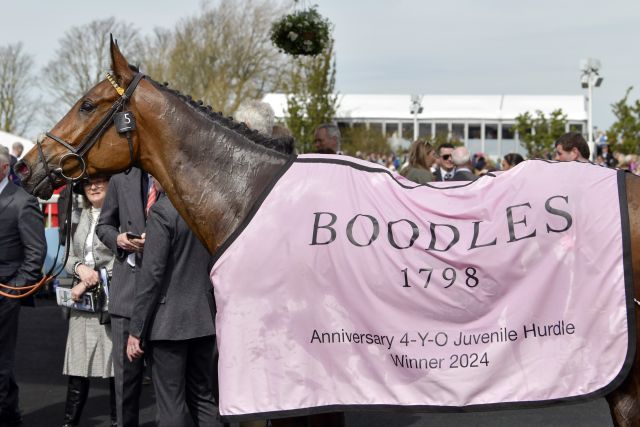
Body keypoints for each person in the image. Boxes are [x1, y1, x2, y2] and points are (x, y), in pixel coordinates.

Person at [126, 191, 220, 427]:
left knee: (171, 404)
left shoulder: (162, 211)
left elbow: (151, 277)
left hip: (168, 325)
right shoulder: (205, 207)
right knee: (204, 399)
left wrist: (136, 330)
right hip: (204, 319)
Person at [96, 167, 155, 427]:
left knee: (168, 384)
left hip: (167, 293)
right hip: (127, 291)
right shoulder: (121, 179)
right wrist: (117, 239)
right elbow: (104, 225)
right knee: (126, 385)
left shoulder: (174, 174)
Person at [62, 176, 116, 427]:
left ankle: (119, 422)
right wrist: (80, 268)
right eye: (88, 184)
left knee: (115, 369)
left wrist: (90, 279)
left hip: (109, 301)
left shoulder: (117, 215)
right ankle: (69, 423)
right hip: (82, 305)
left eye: (100, 182)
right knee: (77, 366)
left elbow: (122, 257)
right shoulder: (79, 215)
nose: (93, 187)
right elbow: (68, 257)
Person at [0, 146, 46, 426]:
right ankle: (9, 414)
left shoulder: (21, 201)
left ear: (4, 168)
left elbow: (36, 252)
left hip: (5, 294)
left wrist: (14, 289)